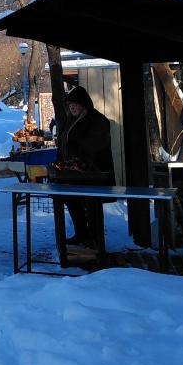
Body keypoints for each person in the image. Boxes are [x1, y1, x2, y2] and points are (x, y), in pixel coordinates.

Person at [56, 86, 114, 247]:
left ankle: (95, 239)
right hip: (73, 173)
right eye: (70, 105)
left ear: (84, 105)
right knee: (72, 200)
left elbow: (98, 144)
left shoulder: (98, 120)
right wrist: (60, 162)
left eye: (75, 105)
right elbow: (63, 143)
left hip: (94, 173)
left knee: (92, 203)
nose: (72, 108)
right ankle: (82, 233)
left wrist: (80, 157)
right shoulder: (70, 121)